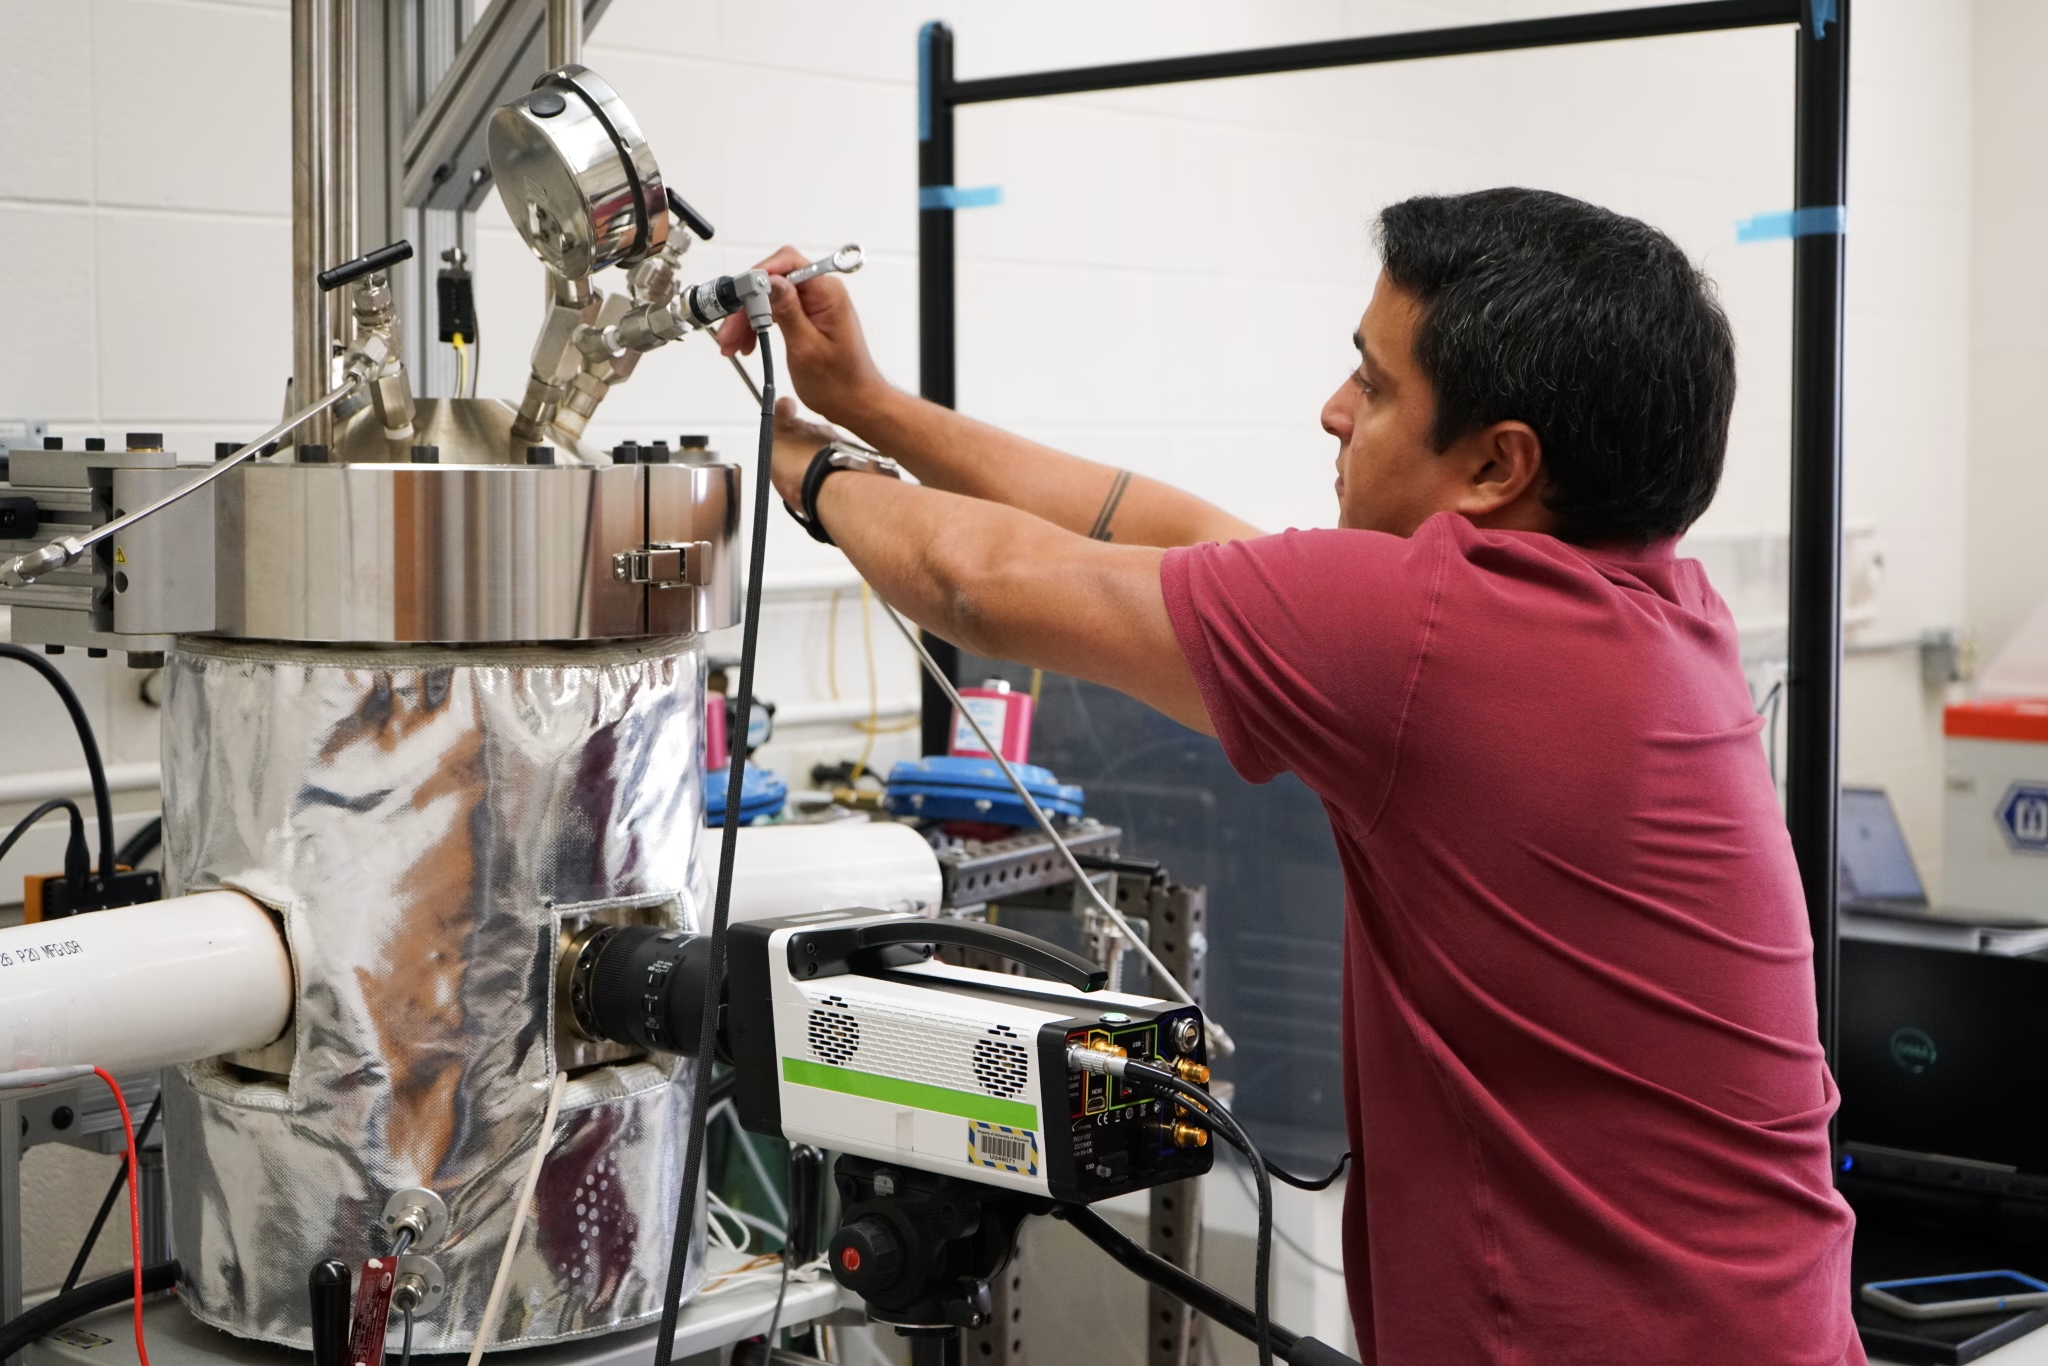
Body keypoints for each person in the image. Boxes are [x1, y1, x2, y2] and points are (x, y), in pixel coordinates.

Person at [719, 187, 1861, 1366]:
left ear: (1495, 463)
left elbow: (978, 587)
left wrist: (802, 463)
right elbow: (1154, 524)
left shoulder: (1429, 640)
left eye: (1371, 383)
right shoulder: (1636, 607)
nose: (1331, 410)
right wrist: (870, 408)